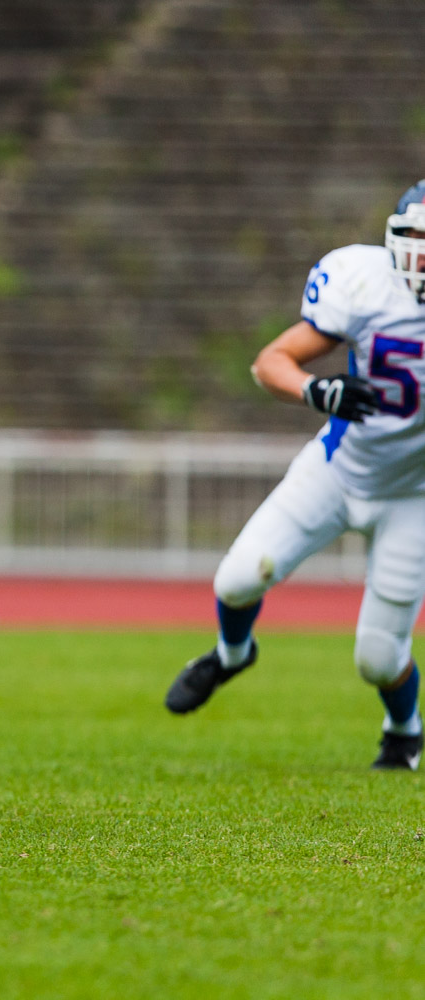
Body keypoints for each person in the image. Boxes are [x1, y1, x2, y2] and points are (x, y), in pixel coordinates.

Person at [164, 180, 425, 771]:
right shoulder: (363, 282)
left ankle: (404, 730)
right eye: (418, 242)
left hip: (414, 494)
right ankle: (232, 655)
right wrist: (320, 390)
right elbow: (270, 362)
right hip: (337, 471)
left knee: (379, 660)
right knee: (235, 581)